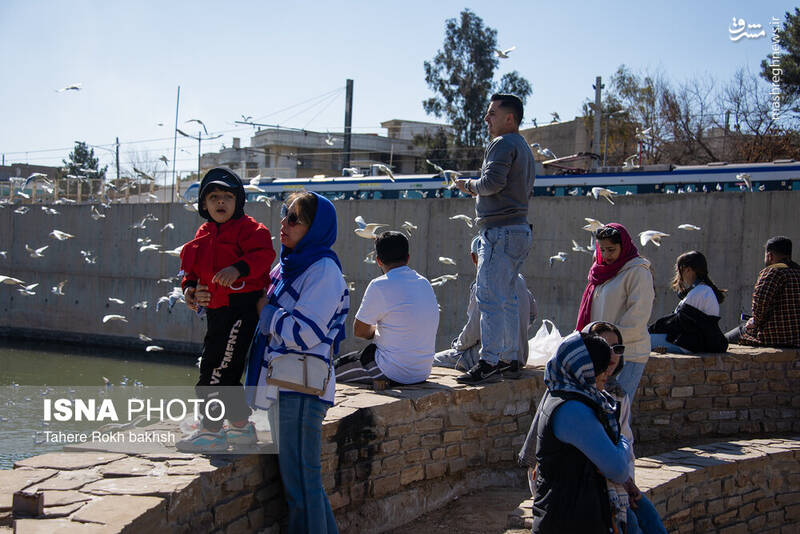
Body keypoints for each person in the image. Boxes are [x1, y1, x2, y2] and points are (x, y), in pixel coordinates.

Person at [250, 191, 348, 534]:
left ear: (315, 228)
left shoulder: (322, 270)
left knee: (302, 484)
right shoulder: (289, 265)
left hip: (301, 390)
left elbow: (306, 333)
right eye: (284, 214)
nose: (285, 223)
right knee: (302, 484)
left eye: (295, 218)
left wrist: (268, 313)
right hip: (287, 385)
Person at [176, 167, 275, 452]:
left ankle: (211, 431)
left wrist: (237, 269)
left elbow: (263, 255)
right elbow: (191, 270)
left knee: (216, 371)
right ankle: (241, 429)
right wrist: (189, 290)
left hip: (240, 310)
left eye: (227, 196)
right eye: (214, 196)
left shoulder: (251, 229)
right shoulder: (202, 233)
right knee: (223, 370)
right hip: (215, 312)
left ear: (238, 201)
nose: (221, 202)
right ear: (204, 204)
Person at [453, 93, 536, 384]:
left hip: (499, 232)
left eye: (492, 114)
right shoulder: (524, 147)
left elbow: (491, 183)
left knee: (488, 297)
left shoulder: (502, 143)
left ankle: (488, 363)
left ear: (509, 118)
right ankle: (510, 358)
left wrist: (467, 185)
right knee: (510, 296)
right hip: (519, 230)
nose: (487, 119)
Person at [529, 331, 631, 533]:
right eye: (600, 369)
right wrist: (622, 442)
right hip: (569, 519)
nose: (606, 375)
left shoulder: (564, 395)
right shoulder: (573, 410)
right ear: (582, 368)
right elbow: (618, 469)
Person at [335, 231, 439, 385]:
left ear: (378, 261)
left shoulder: (379, 285)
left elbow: (360, 331)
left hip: (391, 371)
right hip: (422, 371)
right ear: (408, 258)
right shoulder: (424, 283)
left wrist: (376, 331)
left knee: (329, 373)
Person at [433, 235, 537, 374]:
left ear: (474, 257)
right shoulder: (518, 279)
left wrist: (459, 345)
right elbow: (533, 313)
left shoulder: (484, 283)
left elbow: (473, 330)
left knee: (434, 361)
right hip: (519, 357)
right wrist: (514, 334)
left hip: (494, 359)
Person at [576, 223, 655, 401]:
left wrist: (606, 344)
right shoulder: (601, 271)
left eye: (611, 249)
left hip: (628, 354)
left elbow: (637, 319)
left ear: (624, 246)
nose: (606, 255)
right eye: (602, 249)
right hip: (603, 354)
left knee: (617, 410)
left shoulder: (637, 272)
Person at [725, 236, 800, 348]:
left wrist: (754, 320)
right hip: (796, 338)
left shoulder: (772, 273)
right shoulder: (797, 272)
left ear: (770, 256)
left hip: (772, 337)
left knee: (724, 340)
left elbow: (759, 307)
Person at [649, 251, 728, 354]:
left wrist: (652, 329)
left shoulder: (700, 292)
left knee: (640, 342)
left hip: (688, 345)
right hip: (691, 342)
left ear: (688, 270)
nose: (679, 275)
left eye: (679, 271)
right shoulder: (703, 290)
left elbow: (677, 322)